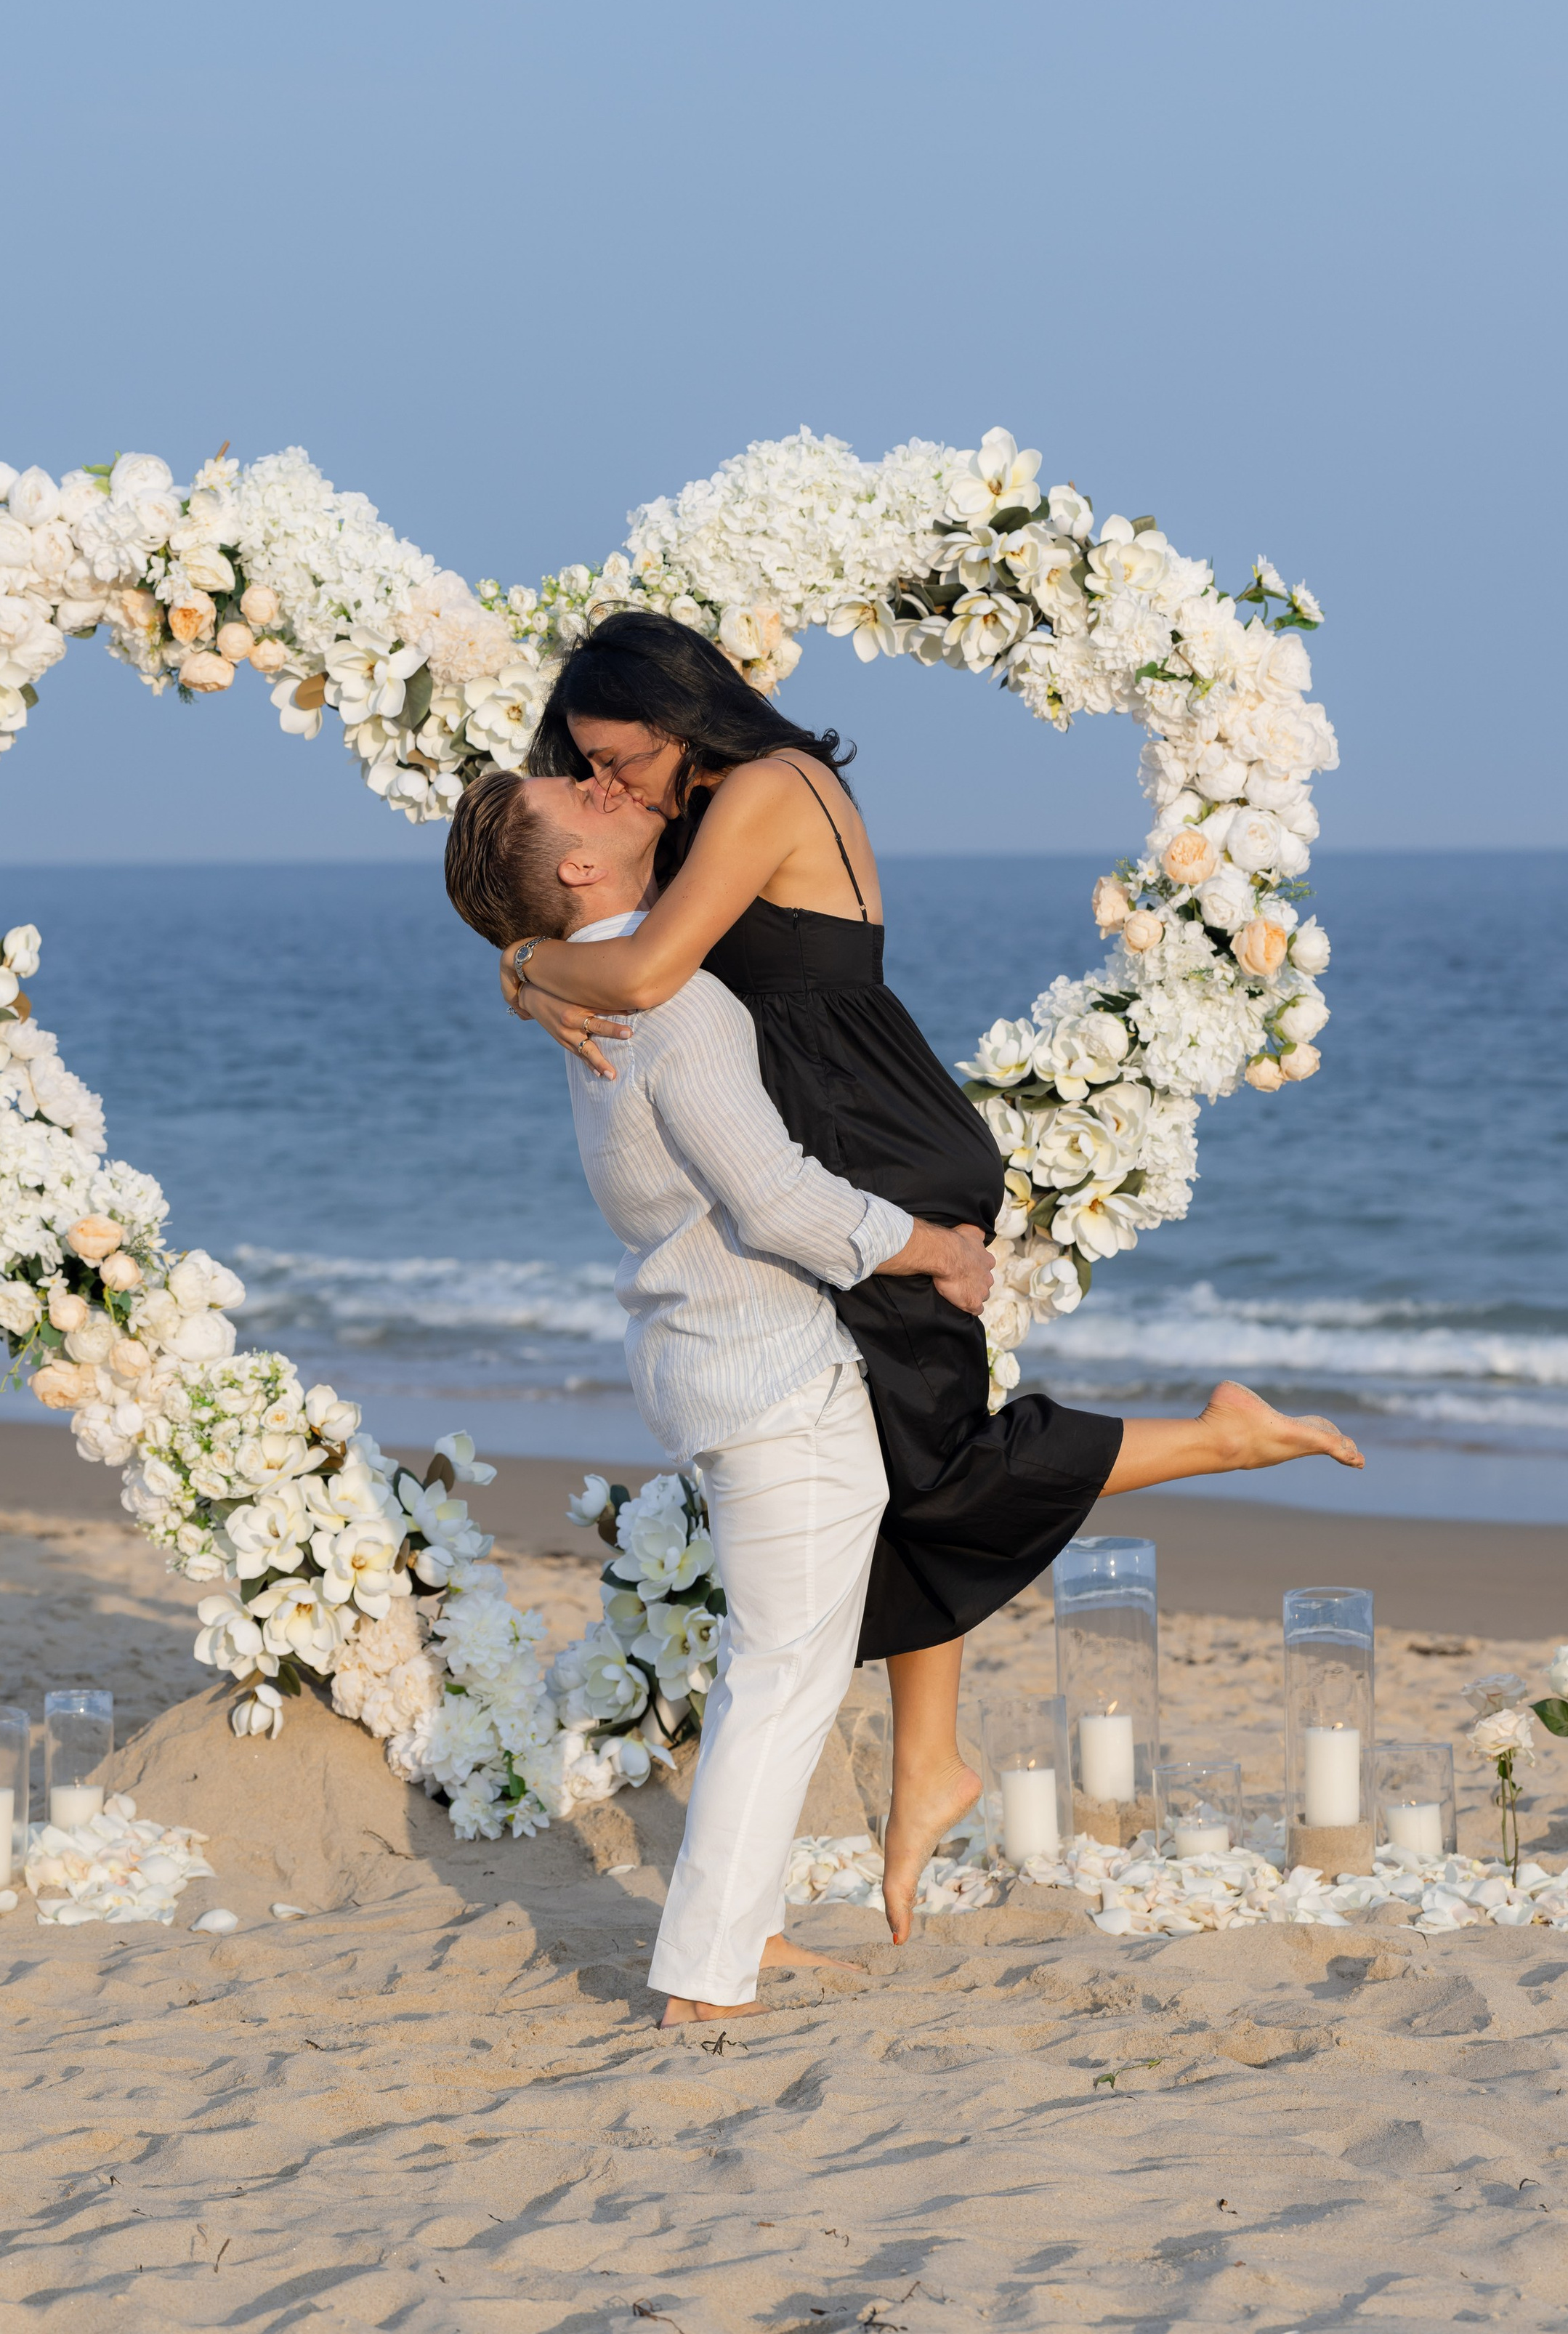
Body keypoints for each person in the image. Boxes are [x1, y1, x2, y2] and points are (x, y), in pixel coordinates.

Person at [486, 610, 1364, 1939]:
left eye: (618, 757)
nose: (610, 788)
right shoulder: (699, 809)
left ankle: (1219, 1440)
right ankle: (928, 1768)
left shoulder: (771, 790)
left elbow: (648, 967)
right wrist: (534, 954)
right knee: (904, 1454)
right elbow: (606, 917)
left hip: (873, 1148)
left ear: (681, 718)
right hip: (845, 1140)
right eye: (590, 771)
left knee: (935, 1460)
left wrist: (522, 961)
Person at [444, 759, 995, 2024]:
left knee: (784, 1667)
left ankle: (745, 1932)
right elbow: (783, 1200)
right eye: (580, 798)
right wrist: (935, 1246)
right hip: (770, 1376)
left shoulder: (599, 995)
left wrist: (521, 969)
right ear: (581, 870)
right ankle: (705, 1973)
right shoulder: (667, 1003)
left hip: (715, 1363)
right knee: (780, 1673)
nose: (605, 785)